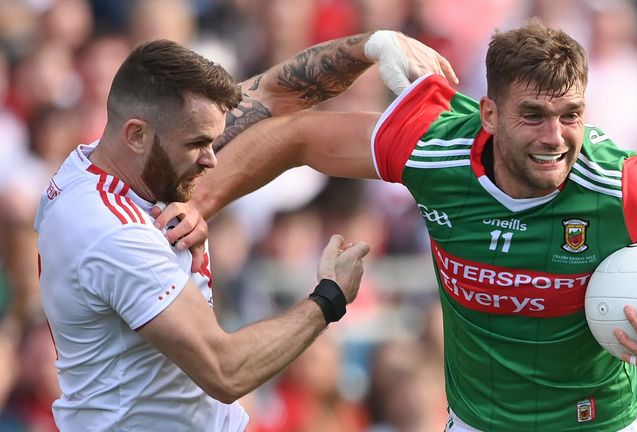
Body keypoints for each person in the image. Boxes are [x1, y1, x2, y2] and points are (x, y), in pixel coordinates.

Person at [159, 21, 637, 431]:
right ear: (489, 114)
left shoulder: (622, 185)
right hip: (480, 422)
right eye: (533, 116)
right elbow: (296, 136)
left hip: (611, 423)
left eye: (570, 114)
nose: (555, 138)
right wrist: (202, 203)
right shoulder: (431, 147)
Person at [34, 30, 455, 431]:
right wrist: (329, 297)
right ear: (137, 134)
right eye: (197, 144)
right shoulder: (113, 232)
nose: (211, 159)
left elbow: (274, 93)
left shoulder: (112, 162)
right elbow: (226, 370)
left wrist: (374, 45)